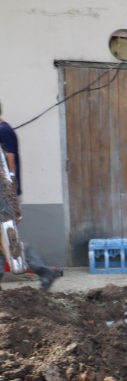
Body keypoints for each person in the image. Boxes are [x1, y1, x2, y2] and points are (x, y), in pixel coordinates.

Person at [0, 102, 62, 291]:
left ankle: (44, 270)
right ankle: (44, 271)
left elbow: (10, 165)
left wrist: (9, 189)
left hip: (3, 194)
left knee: (8, 240)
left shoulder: (4, 130)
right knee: (3, 240)